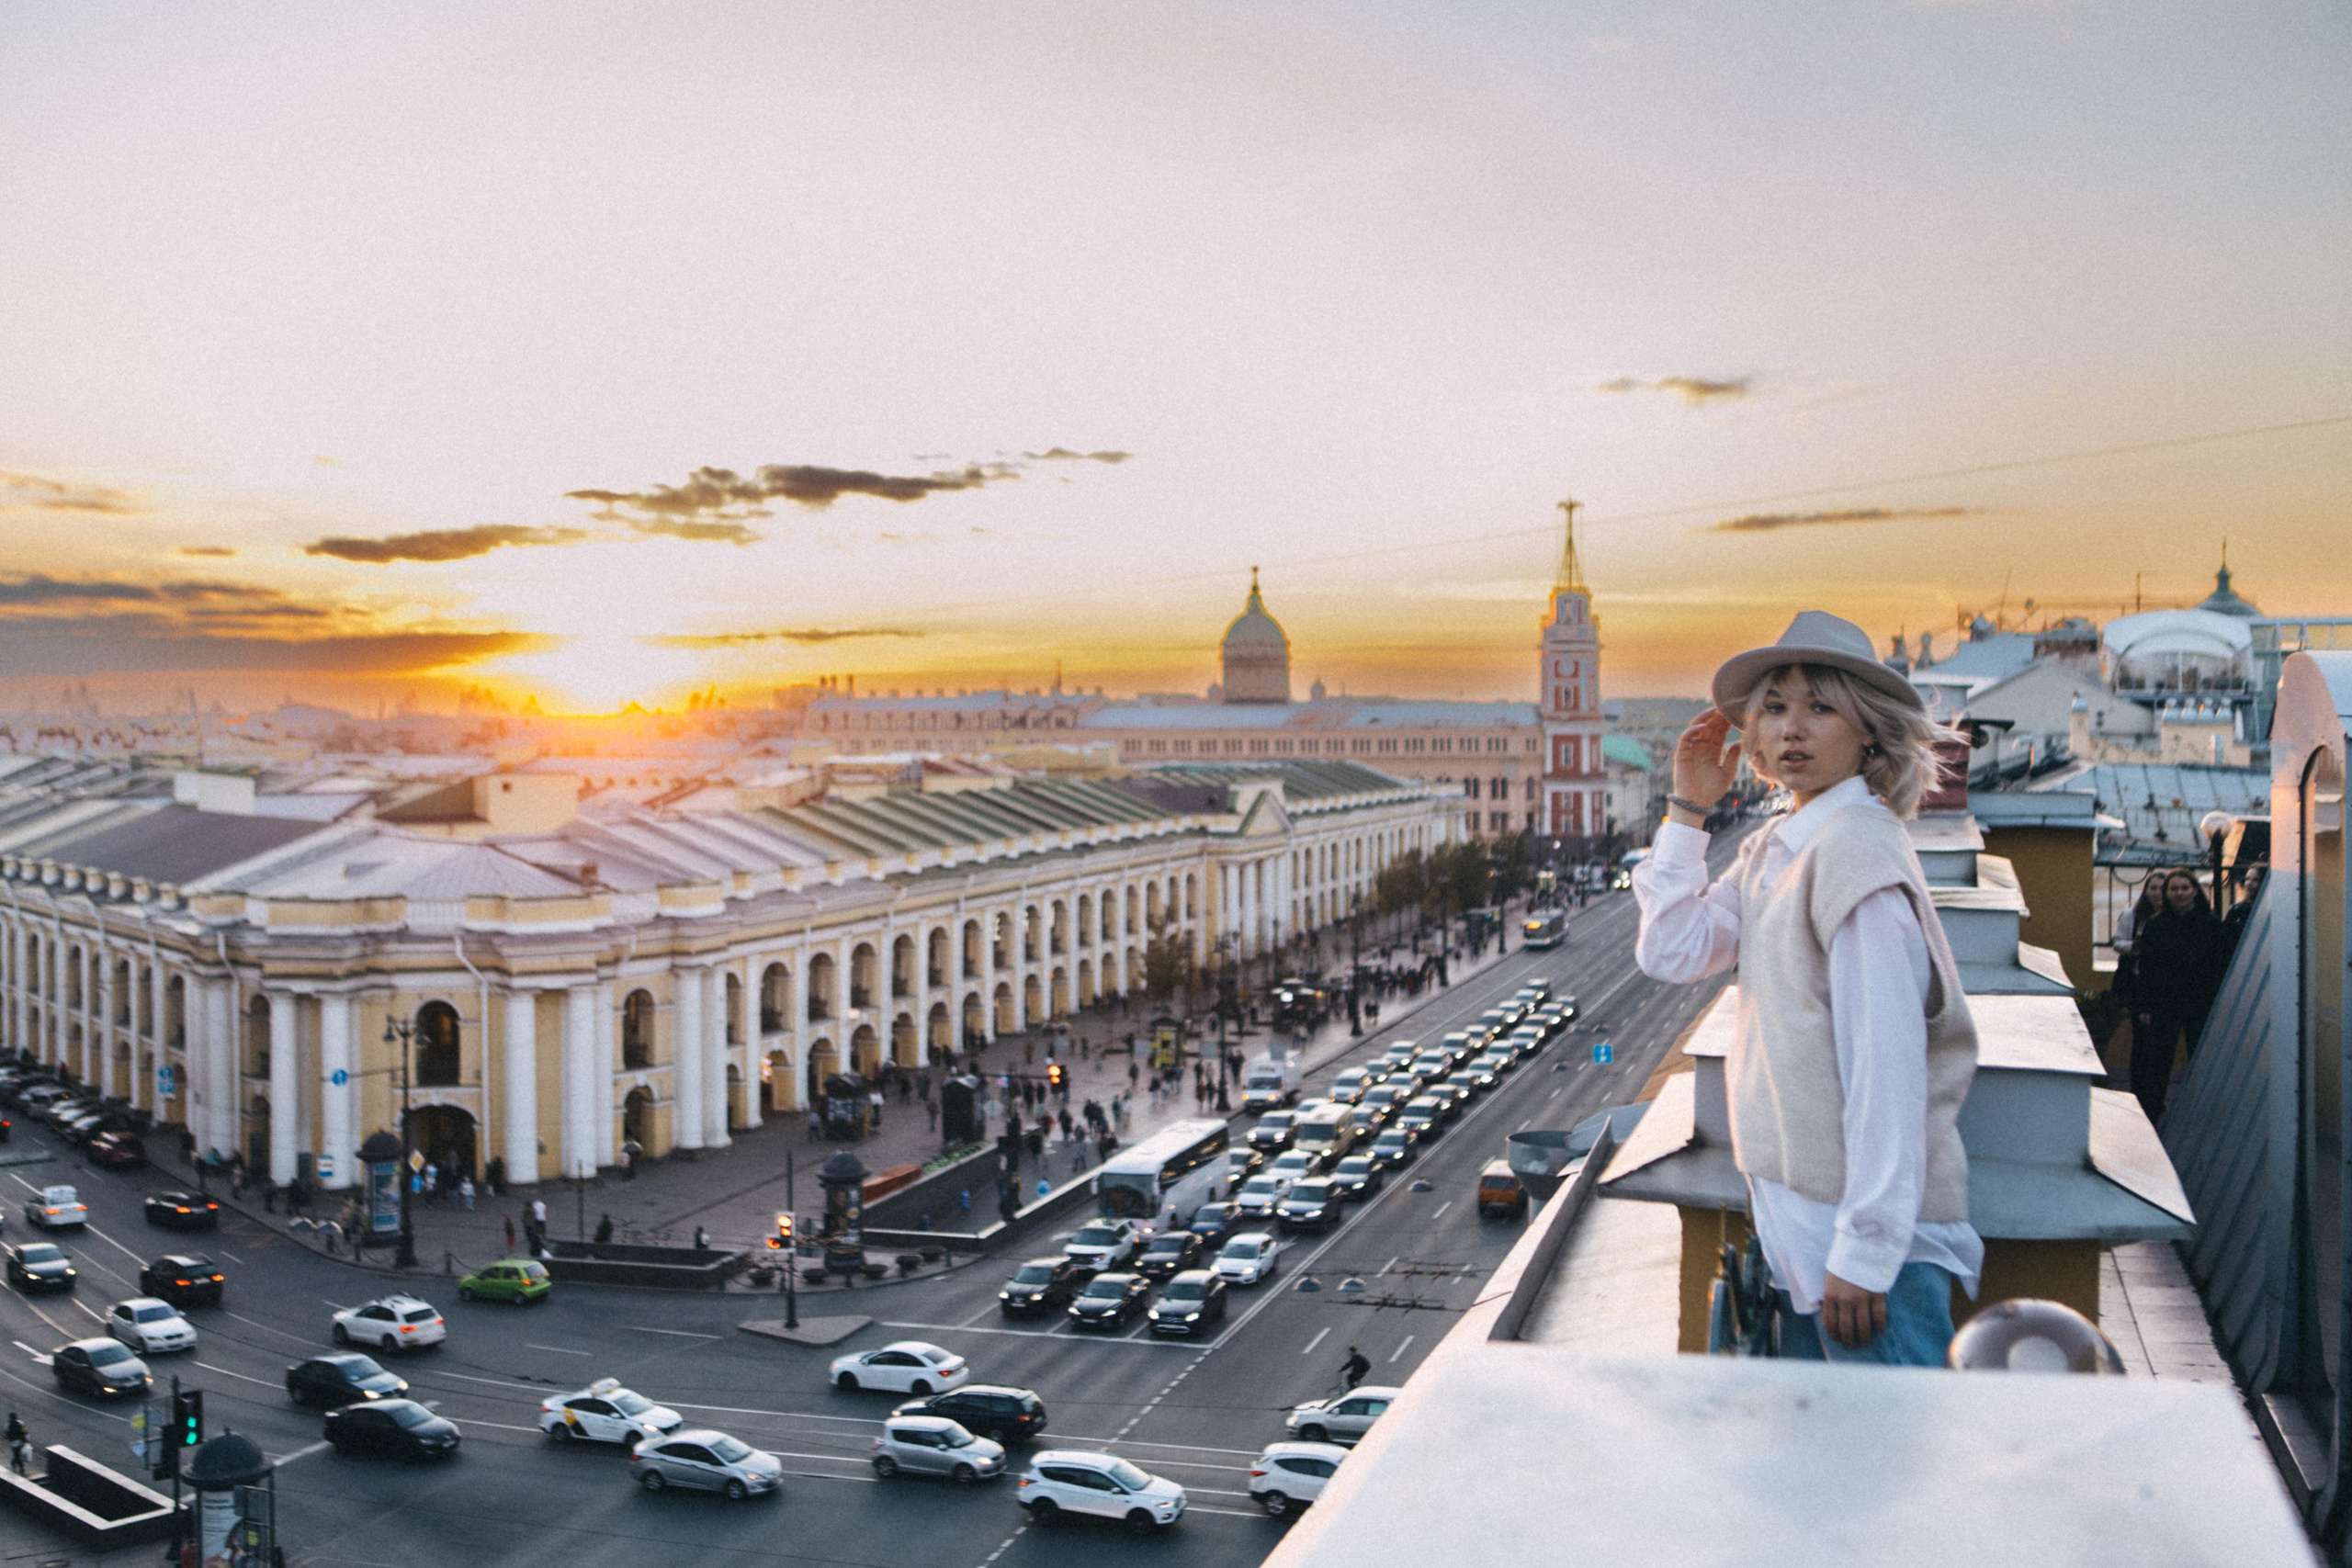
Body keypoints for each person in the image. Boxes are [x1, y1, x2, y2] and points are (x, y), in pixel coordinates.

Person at [1634, 610, 1979, 1368]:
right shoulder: (1780, 845)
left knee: (1890, 1440)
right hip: (1804, 1234)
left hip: (1867, 1260)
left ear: (1870, 732)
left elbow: (1887, 1071)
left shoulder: (1854, 856)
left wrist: (1866, 1252)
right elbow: (1673, 949)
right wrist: (1688, 809)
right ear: (1752, 735)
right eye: (1775, 707)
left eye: (1821, 707)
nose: (1792, 727)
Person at [2123, 866, 2225, 1123]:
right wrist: (2145, 1006)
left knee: (2201, 1060)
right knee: (2157, 1064)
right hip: (2163, 1004)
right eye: (2174, 889)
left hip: (2199, 1004)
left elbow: (2219, 967)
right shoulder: (2156, 925)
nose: (2179, 893)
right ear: (2166, 893)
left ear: (2195, 891)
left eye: (2184, 888)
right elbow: (2147, 969)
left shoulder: (2211, 924)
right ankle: (2151, 1115)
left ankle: (2206, 1115)